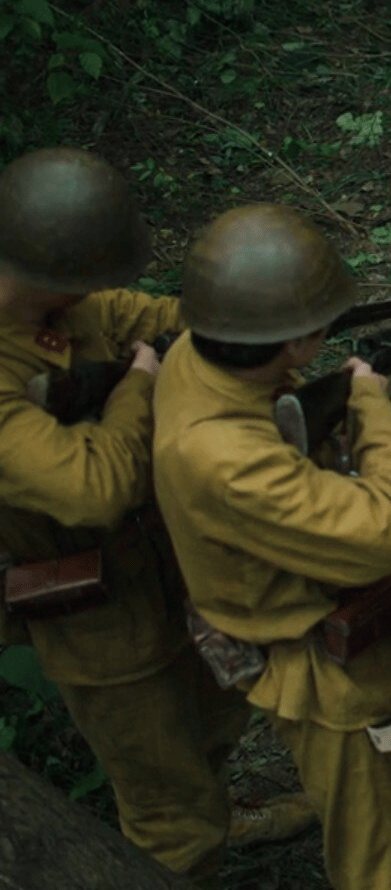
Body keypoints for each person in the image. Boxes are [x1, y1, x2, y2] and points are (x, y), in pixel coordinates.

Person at [0, 150, 311, 885]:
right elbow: (96, 487)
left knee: (212, 726)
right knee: (171, 814)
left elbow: (148, 317)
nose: (97, 292)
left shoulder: (65, 309)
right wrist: (142, 382)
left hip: (171, 573)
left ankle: (223, 816)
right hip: (102, 625)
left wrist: (252, 333)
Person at [153, 203, 391, 890]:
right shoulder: (222, 454)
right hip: (328, 679)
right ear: (294, 343)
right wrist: (371, 403)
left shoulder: (204, 356)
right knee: (386, 852)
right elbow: (389, 531)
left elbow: (302, 447)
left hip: (329, 630)